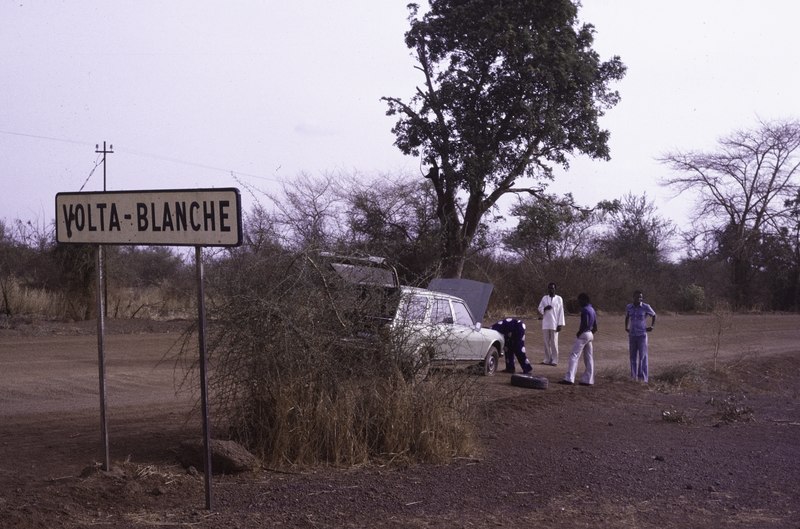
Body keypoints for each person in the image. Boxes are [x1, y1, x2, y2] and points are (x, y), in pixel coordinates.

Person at [560, 293, 597, 385]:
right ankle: (588, 379)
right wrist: (589, 334)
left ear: (584, 300)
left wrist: (579, 333)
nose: (578, 302)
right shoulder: (592, 309)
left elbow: (585, 323)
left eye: (579, 300)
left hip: (584, 334)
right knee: (589, 357)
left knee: (574, 355)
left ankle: (569, 378)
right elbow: (595, 327)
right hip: (590, 334)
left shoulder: (585, 310)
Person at [625, 290, 657, 382]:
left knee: (643, 356)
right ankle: (633, 377)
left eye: (641, 297)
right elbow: (627, 317)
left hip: (642, 335)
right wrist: (626, 327)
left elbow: (654, 315)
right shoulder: (629, 307)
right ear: (633, 297)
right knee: (632, 356)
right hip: (632, 335)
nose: (639, 298)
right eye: (637, 297)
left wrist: (652, 326)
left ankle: (643, 378)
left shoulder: (646, 307)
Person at [537, 282, 565, 366]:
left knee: (554, 342)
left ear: (555, 289)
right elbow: (539, 308)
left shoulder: (559, 299)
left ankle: (554, 360)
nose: (551, 290)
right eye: (549, 288)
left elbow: (561, 312)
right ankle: (547, 359)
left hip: (555, 323)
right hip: (546, 323)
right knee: (546, 342)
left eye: (552, 288)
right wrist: (545, 308)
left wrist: (560, 324)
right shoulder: (544, 298)